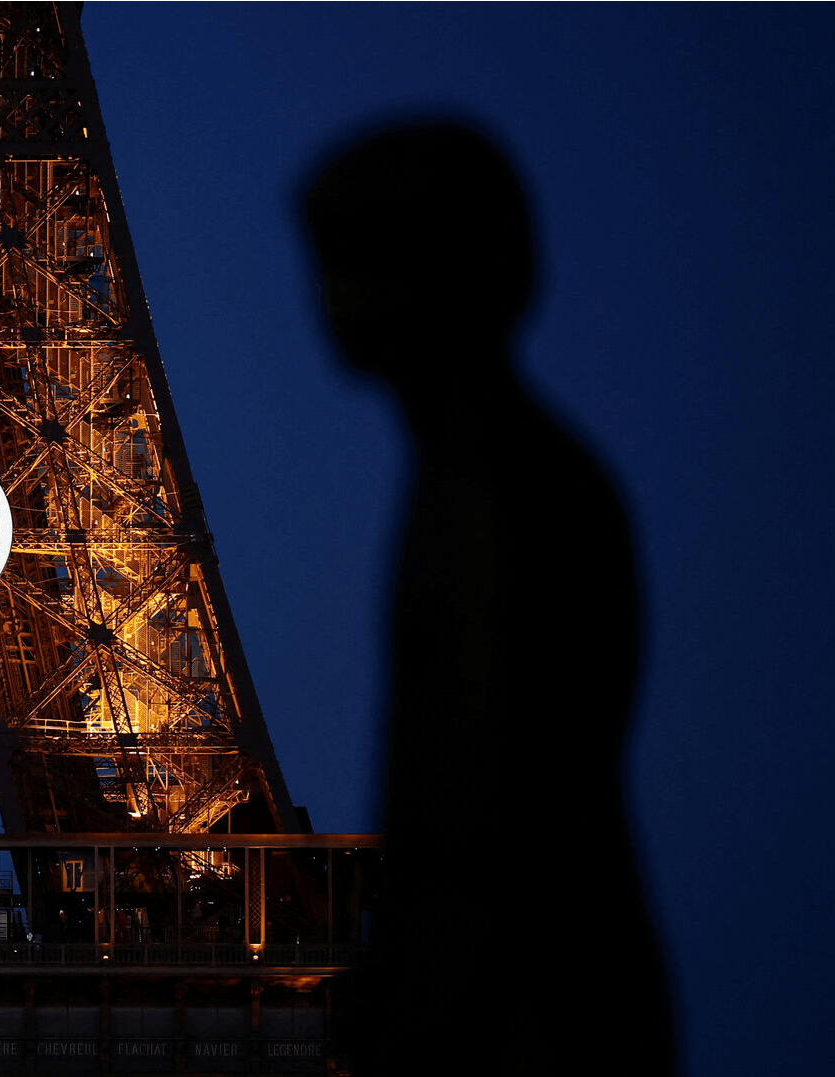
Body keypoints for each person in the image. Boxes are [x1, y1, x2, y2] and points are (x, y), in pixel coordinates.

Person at [297, 120, 675, 1076]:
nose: (328, 295)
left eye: (354, 258)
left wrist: (419, 991)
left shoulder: (495, 492)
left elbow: (481, 791)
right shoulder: (497, 475)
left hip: (519, 1001)